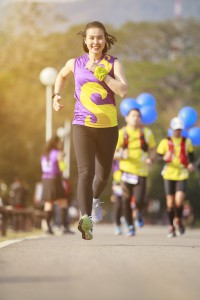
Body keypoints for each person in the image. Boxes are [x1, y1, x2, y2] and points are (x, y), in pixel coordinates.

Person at [52, 21, 128, 240]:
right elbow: (62, 75)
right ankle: (85, 218)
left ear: (105, 40)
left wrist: (101, 73)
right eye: (91, 38)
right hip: (82, 124)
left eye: (100, 37)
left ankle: (95, 200)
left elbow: (122, 90)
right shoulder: (74, 63)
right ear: (85, 40)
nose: (96, 41)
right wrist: (56, 95)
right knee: (86, 172)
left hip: (108, 127)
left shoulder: (114, 63)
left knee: (103, 175)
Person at [114, 108, 156, 237]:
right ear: (126, 118)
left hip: (141, 172)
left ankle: (138, 213)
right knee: (125, 200)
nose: (135, 118)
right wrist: (121, 154)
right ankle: (130, 226)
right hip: (126, 171)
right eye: (133, 115)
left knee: (139, 200)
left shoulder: (146, 133)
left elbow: (154, 149)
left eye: (138, 116)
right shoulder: (122, 133)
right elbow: (113, 153)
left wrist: (151, 158)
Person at [156, 117, 195, 238]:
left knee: (179, 201)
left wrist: (191, 165)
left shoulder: (186, 141)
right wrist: (163, 157)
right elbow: (157, 158)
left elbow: (192, 157)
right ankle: (171, 226)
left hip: (182, 174)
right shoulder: (165, 142)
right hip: (169, 174)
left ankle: (178, 219)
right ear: (172, 129)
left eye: (180, 129)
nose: (178, 131)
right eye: (176, 129)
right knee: (170, 204)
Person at [41, 135, 71, 234]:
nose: (61, 144)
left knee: (48, 204)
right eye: (60, 142)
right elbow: (63, 168)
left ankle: (48, 228)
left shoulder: (44, 154)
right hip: (55, 179)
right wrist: (62, 158)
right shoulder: (57, 153)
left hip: (45, 180)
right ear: (56, 143)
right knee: (63, 202)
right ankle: (64, 227)